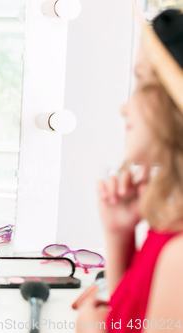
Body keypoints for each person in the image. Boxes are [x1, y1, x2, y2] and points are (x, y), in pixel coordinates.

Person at [76, 9, 183, 332]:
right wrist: (119, 235)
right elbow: (132, 315)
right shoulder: (168, 230)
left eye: (141, 81)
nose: (125, 107)